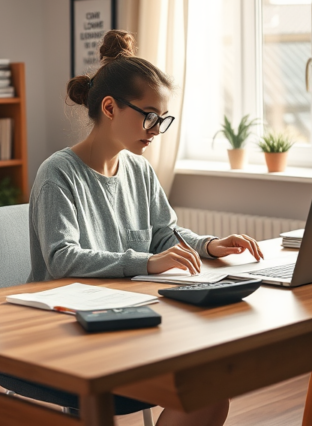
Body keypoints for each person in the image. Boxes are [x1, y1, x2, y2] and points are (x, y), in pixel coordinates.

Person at [29, 30, 264, 426]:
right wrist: (148, 262)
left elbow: (163, 235)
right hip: (68, 329)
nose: (157, 128)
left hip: (130, 317)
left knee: (208, 394)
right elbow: (61, 260)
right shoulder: (58, 175)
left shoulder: (139, 170)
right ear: (109, 108)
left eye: (163, 119)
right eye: (150, 116)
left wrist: (209, 245)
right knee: (201, 389)